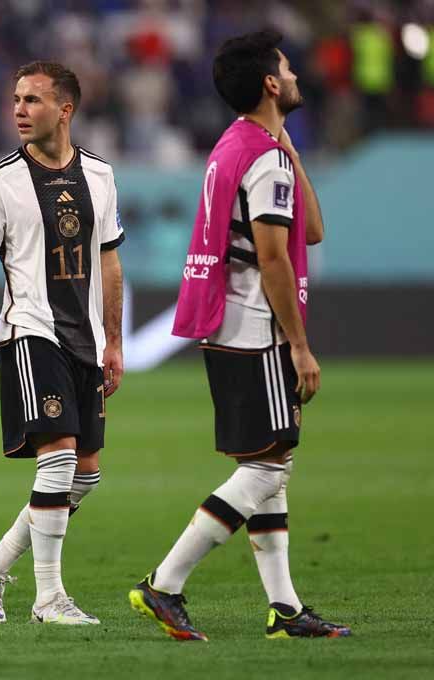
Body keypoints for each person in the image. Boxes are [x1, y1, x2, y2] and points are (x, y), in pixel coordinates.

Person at [128, 30, 351, 641]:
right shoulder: (264, 158)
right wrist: (299, 346)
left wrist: (292, 154)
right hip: (256, 324)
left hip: (224, 320)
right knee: (264, 469)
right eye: (287, 67)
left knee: (270, 463)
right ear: (272, 84)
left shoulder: (237, 146)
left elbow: (313, 230)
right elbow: (278, 256)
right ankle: (164, 584)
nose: (297, 74)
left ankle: (285, 608)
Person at [0, 61, 125, 626]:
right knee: (59, 459)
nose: (19, 110)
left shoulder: (100, 175)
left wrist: (113, 342)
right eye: (17, 99)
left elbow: (110, 262)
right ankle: (49, 599)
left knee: (85, 473)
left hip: (85, 340)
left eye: (33, 100)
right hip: (32, 331)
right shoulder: (0, 180)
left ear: (65, 109)